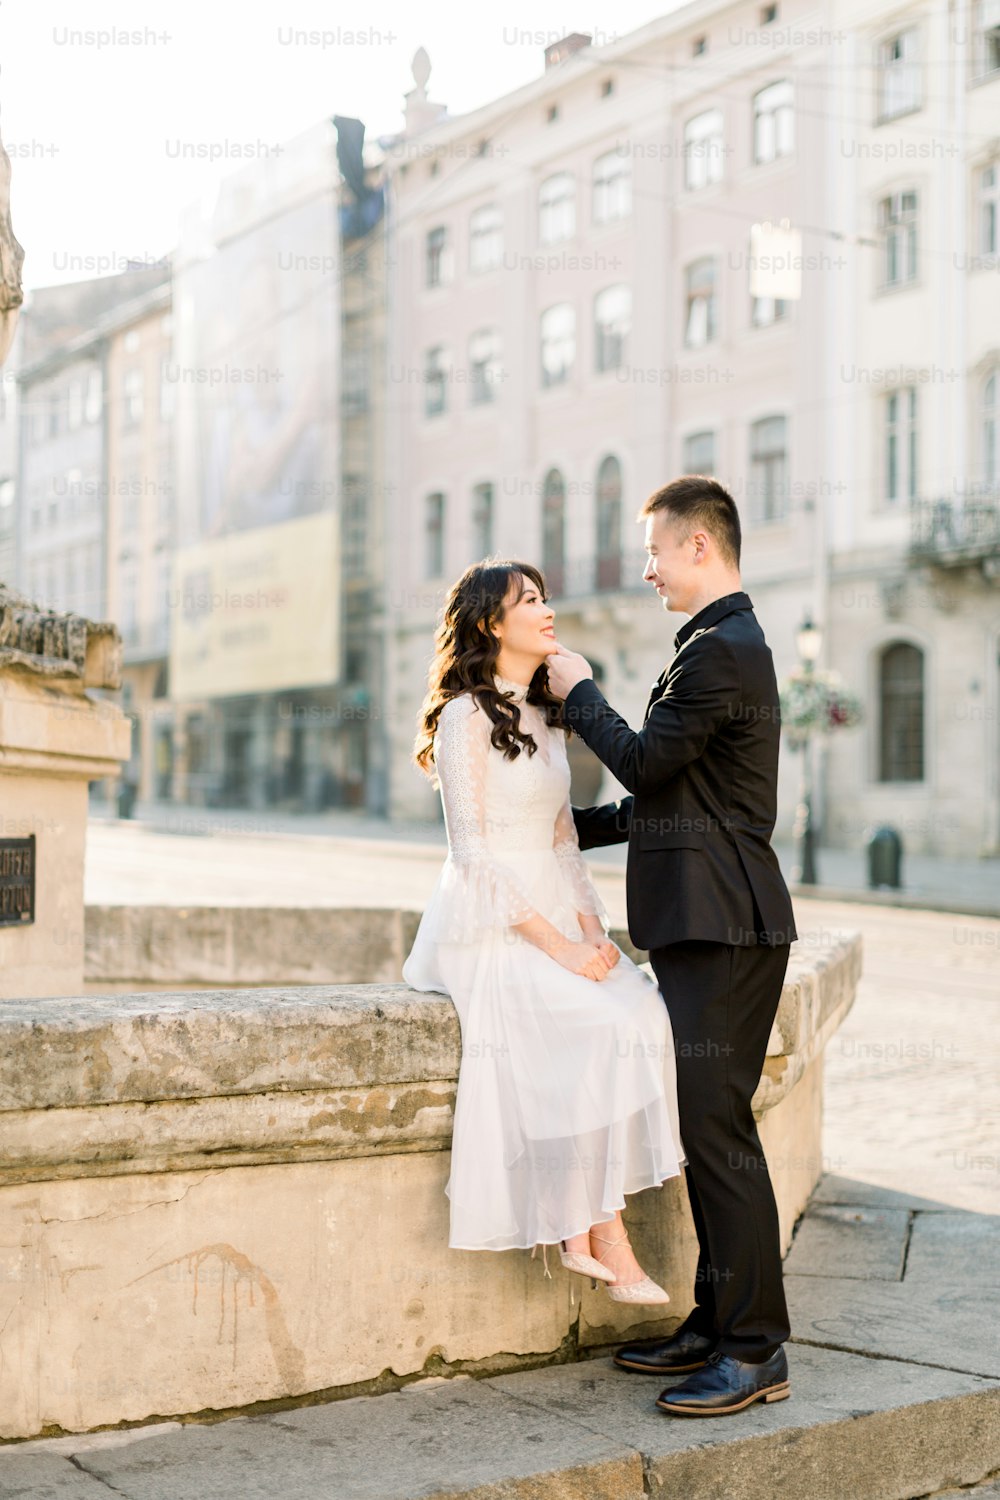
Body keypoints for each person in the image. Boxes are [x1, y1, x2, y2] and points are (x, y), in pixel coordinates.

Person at [546, 475, 797, 1417]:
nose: (645, 568)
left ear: (701, 546)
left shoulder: (725, 650)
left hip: (723, 926)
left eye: (655, 550)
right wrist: (564, 830)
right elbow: (668, 796)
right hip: (709, 923)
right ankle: (714, 1320)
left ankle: (755, 1349)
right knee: (707, 1133)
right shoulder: (716, 646)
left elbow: (649, 760)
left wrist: (578, 694)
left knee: (719, 1137)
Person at [402, 559, 685, 1300]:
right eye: (530, 601)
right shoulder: (466, 717)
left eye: (546, 597)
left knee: (641, 1016)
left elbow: (563, 843)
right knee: (592, 1026)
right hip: (489, 924)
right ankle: (601, 1230)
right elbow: (471, 856)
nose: (546, 609)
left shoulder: (548, 714)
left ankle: (583, 1221)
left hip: (555, 908)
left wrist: (595, 935)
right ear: (493, 624)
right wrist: (557, 947)